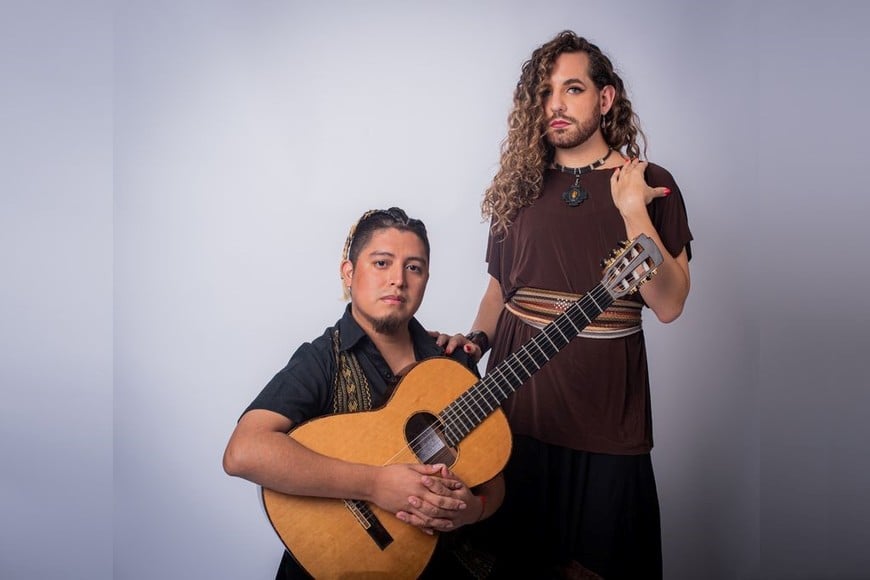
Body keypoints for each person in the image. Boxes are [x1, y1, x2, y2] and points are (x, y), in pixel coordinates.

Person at [440, 31, 692, 579]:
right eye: (546, 91)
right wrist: (476, 342)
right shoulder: (519, 187)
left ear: (605, 99)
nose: (556, 104)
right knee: (510, 564)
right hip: (514, 412)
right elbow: (500, 290)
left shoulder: (652, 185)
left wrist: (632, 211)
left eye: (572, 88)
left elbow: (669, 304)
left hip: (607, 422)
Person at [223, 207, 503, 579]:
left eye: (414, 267)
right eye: (382, 263)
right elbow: (244, 452)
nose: (398, 280)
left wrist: (474, 510)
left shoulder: (452, 365)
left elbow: (492, 479)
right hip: (340, 563)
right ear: (349, 273)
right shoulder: (323, 358)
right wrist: (375, 484)